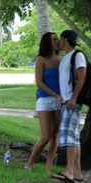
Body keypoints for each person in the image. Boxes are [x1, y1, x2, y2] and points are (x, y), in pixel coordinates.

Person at [25, 32, 62, 173]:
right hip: (46, 100)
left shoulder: (61, 59)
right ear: (47, 42)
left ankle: (48, 168)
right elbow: (39, 82)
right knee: (46, 136)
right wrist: (55, 94)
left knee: (55, 135)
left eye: (57, 39)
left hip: (59, 101)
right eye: (53, 39)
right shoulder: (41, 59)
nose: (56, 41)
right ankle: (29, 163)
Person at [52, 30, 86, 183]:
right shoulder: (66, 58)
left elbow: (82, 76)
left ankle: (69, 171)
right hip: (67, 102)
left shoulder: (77, 55)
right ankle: (78, 173)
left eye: (60, 39)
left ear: (65, 40)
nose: (58, 41)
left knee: (70, 138)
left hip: (73, 102)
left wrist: (73, 97)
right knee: (75, 138)